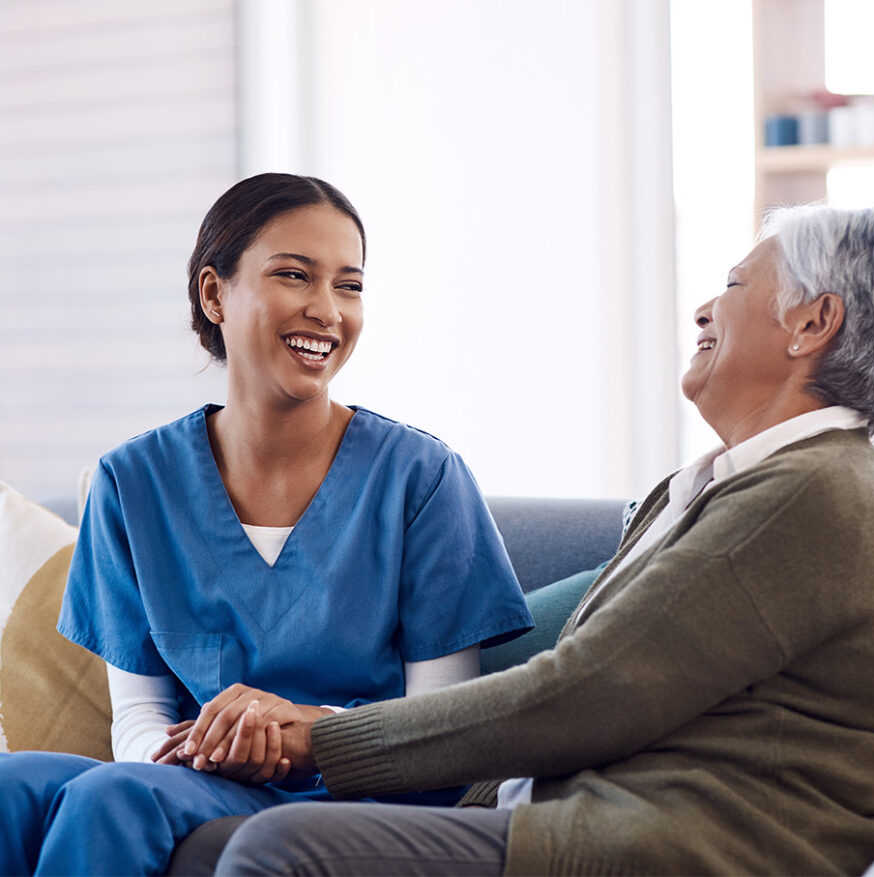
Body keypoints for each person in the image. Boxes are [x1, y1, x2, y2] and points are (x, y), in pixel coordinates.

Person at [179, 204, 874, 876]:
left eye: (731, 287)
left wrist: (325, 736)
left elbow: (589, 691)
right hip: (615, 820)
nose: (703, 311)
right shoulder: (750, 483)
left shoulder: (810, 491)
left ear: (812, 323)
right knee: (224, 839)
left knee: (283, 851)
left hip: (695, 846)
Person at [0, 173, 533, 876]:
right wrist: (200, 752)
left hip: (360, 790)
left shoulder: (421, 478)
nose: (327, 310)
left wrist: (300, 733)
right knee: (11, 787)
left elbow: (440, 725)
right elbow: (137, 718)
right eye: (294, 275)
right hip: (191, 777)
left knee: (115, 797)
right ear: (214, 294)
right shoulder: (131, 482)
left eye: (350, 285)